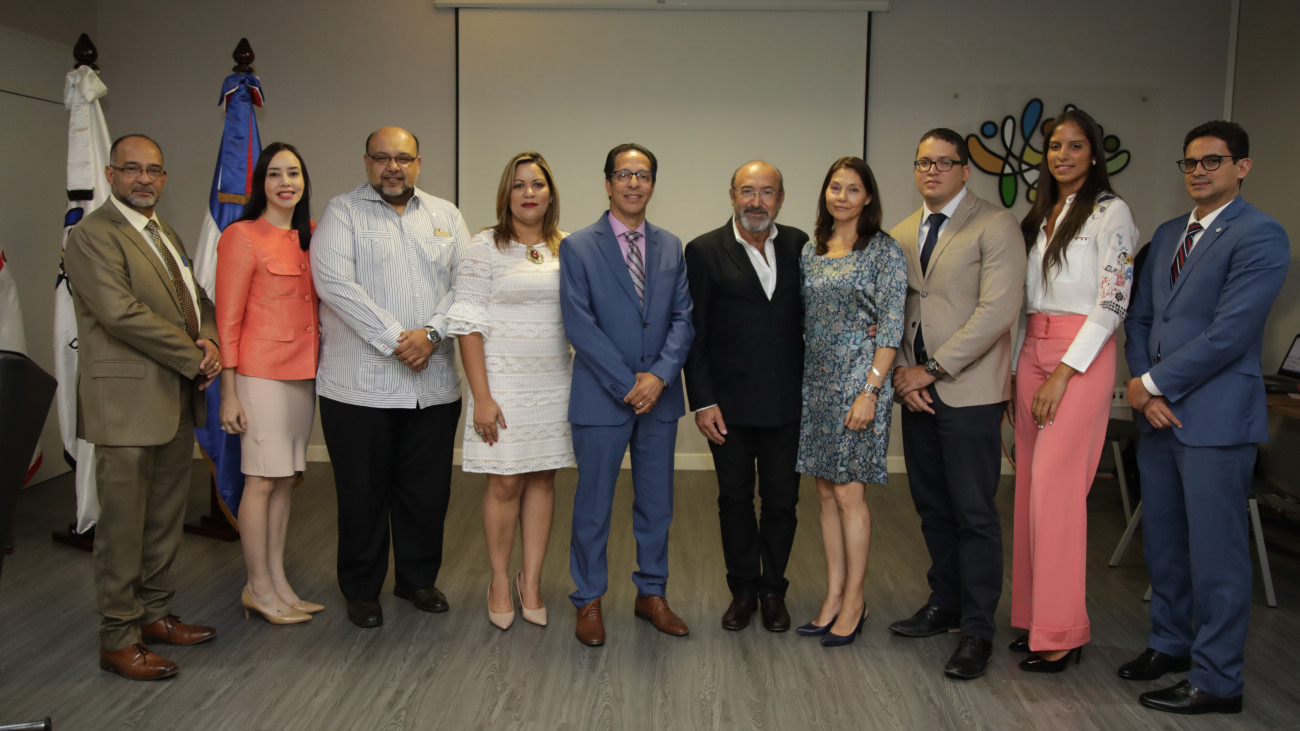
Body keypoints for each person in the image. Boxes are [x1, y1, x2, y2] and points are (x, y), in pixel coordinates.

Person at [1122, 120, 1289, 715]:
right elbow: (1141, 319)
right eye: (1190, 162)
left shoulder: (1261, 234)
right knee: (1165, 542)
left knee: (1217, 555)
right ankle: (1170, 644)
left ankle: (1218, 680)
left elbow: (1230, 333)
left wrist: (1152, 384)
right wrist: (1144, 389)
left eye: (1212, 161)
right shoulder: (1169, 234)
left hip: (1214, 418)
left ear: (1242, 167)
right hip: (1157, 416)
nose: (1198, 171)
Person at [65, 134, 222, 679]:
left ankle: (154, 615)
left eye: (153, 170)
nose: (144, 179)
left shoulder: (162, 231)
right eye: (131, 169)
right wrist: (194, 356)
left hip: (173, 395)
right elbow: (120, 313)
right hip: (127, 404)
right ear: (110, 175)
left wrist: (210, 338)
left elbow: (195, 297)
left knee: (162, 519)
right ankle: (117, 638)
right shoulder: (92, 235)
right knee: (123, 528)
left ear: (164, 178)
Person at [311, 127, 470, 628]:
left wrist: (432, 334)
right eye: (382, 158)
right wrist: (399, 339)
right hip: (359, 389)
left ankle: (416, 580)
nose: (392, 167)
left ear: (418, 163)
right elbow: (335, 284)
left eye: (402, 158)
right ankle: (362, 589)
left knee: (426, 493)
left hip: (433, 387)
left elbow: (468, 283)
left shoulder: (446, 215)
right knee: (362, 494)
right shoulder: (343, 213)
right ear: (367, 162)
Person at [889, 128, 1026, 679]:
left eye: (944, 162)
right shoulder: (902, 231)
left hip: (969, 392)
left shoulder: (996, 224)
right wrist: (904, 376)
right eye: (924, 162)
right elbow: (896, 312)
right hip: (915, 393)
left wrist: (933, 369)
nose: (933, 171)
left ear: (966, 171)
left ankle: (977, 629)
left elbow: (997, 313)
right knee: (931, 506)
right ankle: (944, 603)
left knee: (974, 512)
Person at [1009, 108, 1137, 672]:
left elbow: (1113, 301)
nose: (1063, 155)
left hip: (1079, 356)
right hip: (1032, 348)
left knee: (1056, 489)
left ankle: (1063, 630)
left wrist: (1063, 372)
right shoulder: (1039, 213)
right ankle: (1035, 618)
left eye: (1076, 145)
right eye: (1056, 146)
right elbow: (1027, 303)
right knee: (1029, 490)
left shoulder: (1111, 212)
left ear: (1094, 153)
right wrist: (1018, 368)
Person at [559, 143, 694, 647]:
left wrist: (658, 377)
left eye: (643, 175)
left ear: (653, 184)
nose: (634, 183)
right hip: (601, 397)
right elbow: (580, 325)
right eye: (624, 174)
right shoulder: (579, 246)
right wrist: (628, 384)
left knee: (657, 505)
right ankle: (588, 597)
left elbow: (683, 320)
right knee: (593, 506)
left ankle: (651, 594)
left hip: (659, 398)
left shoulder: (671, 246)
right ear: (608, 183)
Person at [446, 152, 574, 631]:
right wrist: (481, 397)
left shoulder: (567, 247)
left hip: (554, 382)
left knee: (542, 480)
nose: (528, 193)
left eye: (537, 184)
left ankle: (531, 580)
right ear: (506, 194)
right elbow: (468, 324)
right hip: (500, 385)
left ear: (550, 193)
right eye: (519, 185)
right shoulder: (484, 247)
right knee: (504, 483)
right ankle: (500, 580)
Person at [684, 160, 808, 633]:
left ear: (781, 198)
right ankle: (742, 591)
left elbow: (816, 313)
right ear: (732, 195)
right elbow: (694, 334)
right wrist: (703, 401)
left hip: (787, 403)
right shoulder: (703, 251)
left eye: (767, 192)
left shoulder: (800, 245)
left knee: (782, 502)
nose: (757, 202)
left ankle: (773, 590)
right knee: (734, 500)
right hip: (728, 407)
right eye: (748, 191)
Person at [793, 157, 905, 648]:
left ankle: (855, 600)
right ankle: (834, 594)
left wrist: (871, 391)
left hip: (860, 385)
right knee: (824, 492)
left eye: (853, 189)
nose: (842, 196)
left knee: (848, 494)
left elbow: (892, 326)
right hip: (816, 384)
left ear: (868, 197)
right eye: (835, 187)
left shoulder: (883, 251)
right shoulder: (811, 251)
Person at [215, 142, 321, 626]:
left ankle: (279, 582)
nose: (285, 183)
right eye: (275, 173)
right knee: (260, 480)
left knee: (284, 480)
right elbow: (227, 320)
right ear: (261, 183)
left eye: (293, 173)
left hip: (302, 374)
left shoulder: (311, 235)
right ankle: (257, 587)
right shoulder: (242, 236)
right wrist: (228, 391)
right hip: (258, 375)